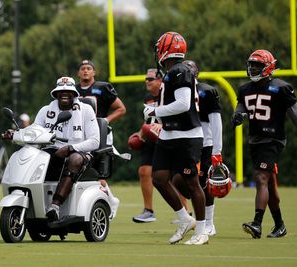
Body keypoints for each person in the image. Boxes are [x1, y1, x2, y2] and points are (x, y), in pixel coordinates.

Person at [232, 49, 297, 238]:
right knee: (270, 184)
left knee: (260, 178)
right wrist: (238, 116)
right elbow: (241, 107)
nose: (253, 68)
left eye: (258, 65)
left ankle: (257, 223)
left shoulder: (281, 88)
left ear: (268, 67)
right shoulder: (245, 89)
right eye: (252, 65)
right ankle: (279, 225)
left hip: (273, 140)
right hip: (255, 141)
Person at [2, 76, 100, 222]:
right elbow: (34, 132)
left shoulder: (86, 110)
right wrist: (15, 134)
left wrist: (71, 147)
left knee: (75, 158)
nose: (64, 93)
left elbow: (95, 141)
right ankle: (31, 203)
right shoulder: (45, 111)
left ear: (74, 94)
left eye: (68, 91)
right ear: (56, 94)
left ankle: (55, 206)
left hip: (81, 153)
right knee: (30, 155)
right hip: (52, 151)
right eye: (61, 91)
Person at [143, 31, 208, 245]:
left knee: (191, 183)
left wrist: (155, 112)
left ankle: (202, 230)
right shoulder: (173, 71)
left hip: (187, 135)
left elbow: (183, 104)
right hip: (169, 134)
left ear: (166, 49)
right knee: (159, 178)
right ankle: (184, 219)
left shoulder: (181, 71)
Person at [76, 59, 126, 219]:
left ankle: (109, 201)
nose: (85, 71)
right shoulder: (73, 90)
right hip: (78, 135)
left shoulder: (102, 88)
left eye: (88, 68)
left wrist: (105, 121)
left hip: (99, 134)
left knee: (97, 171)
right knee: (86, 171)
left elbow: (121, 108)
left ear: (94, 72)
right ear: (78, 73)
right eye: (82, 68)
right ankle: (110, 200)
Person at [183, 60, 223, 236]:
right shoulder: (176, 91)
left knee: (204, 184)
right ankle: (191, 219)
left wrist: (217, 150)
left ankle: (209, 223)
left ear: (197, 72)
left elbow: (216, 122)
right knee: (179, 179)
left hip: (204, 143)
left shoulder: (207, 91)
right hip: (184, 142)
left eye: (191, 69)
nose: (188, 72)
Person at [132, 68, 163, 223]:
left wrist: (163, 127)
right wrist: (140, 132)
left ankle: (186, 211)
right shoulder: (148, 98)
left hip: (167, 137)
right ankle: (148, 211)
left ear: (160, 80)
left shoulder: (170, 95)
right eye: (146, 79)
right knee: (144, 171)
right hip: (150, 139)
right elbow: (148, 120)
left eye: (150, 79)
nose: (147, 81)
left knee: (173, 177)